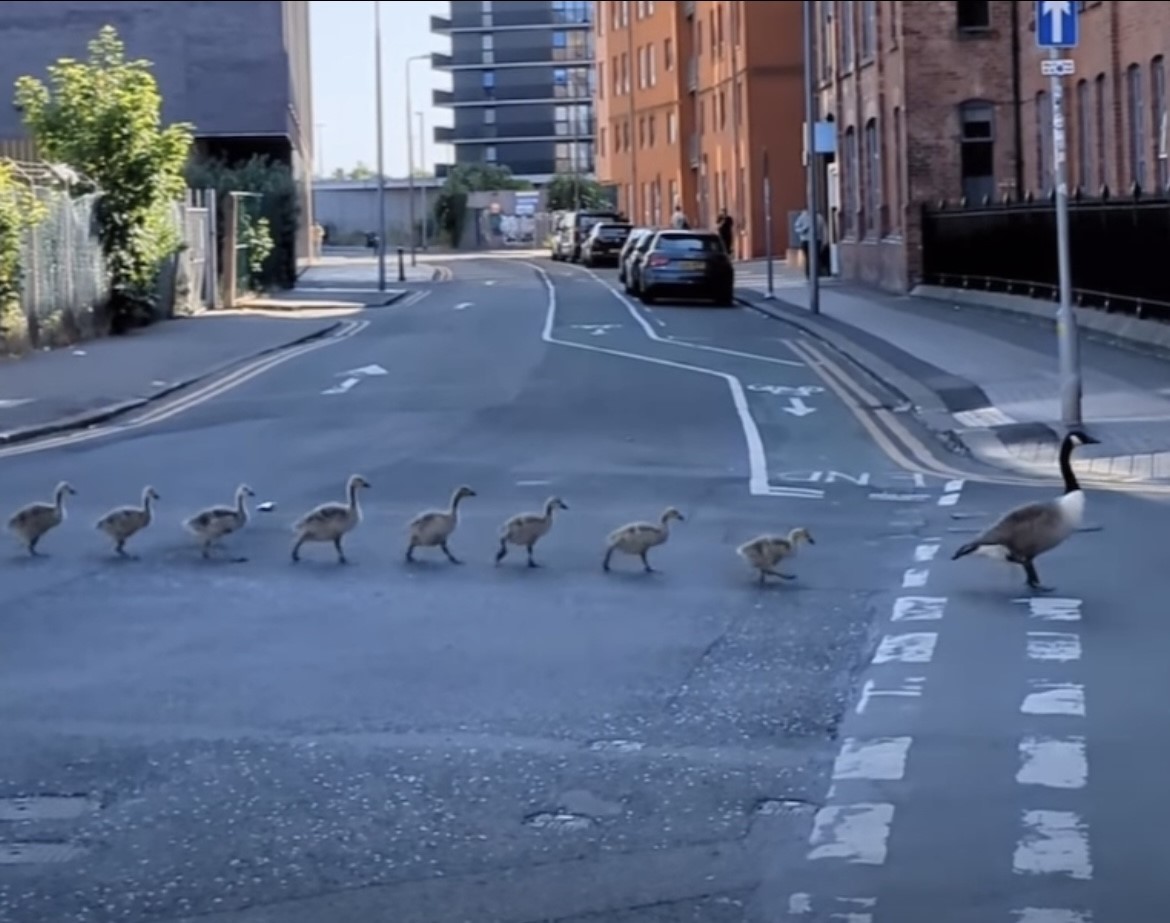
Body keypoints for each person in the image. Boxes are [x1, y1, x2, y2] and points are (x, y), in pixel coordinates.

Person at [794, 208, 827, 278]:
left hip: (816, 240)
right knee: (809, 257)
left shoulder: (819, 217)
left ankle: (814, 273)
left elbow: (823, 230)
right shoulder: (803, 217)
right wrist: (803, 230)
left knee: (814, 257)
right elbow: (796, 227)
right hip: (806, 240)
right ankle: (809, 274)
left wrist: (824, 240)